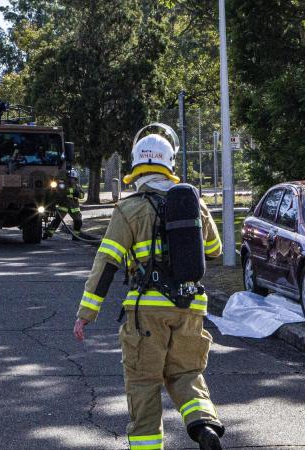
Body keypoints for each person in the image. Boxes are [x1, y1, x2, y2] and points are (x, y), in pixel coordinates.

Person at [73, 123, 225, 450]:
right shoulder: (193, 202)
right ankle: (203, 425)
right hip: (191, 308)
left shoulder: (129, 209)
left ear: (136, 165)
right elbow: (215, 252)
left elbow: (107, 264)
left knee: (144, 384)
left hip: (147, 313)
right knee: (186, 374)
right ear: (170, 164)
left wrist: (87, 312)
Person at [43, 168, 85, 240]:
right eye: (71, 178)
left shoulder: (77, 186)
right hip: (63, 205)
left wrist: (78, 194)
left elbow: (82, 195)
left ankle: (76, 236)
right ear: (67, 178)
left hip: (74, 206)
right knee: (58, 220)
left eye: (74, 179)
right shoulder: (62, 184)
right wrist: (73, 191)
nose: (72, 180)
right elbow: (61, 191)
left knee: (78, 221)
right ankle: (48, 234)